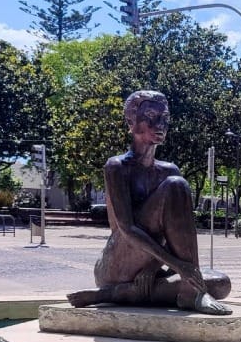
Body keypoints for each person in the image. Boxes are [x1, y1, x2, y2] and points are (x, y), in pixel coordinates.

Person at [68, 90, 231, 315]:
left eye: (164, 118)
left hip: (151, 261)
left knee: (221, 282)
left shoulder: (169, 170)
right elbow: (127, 229)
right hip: (118, 262)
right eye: (151, 116)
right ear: (131, 121)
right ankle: (190, 292)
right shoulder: (116, 167)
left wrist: (155, 266)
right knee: (177, 184)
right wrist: (179, 267)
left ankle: (115, 294)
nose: (159, 124)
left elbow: (173, 233)